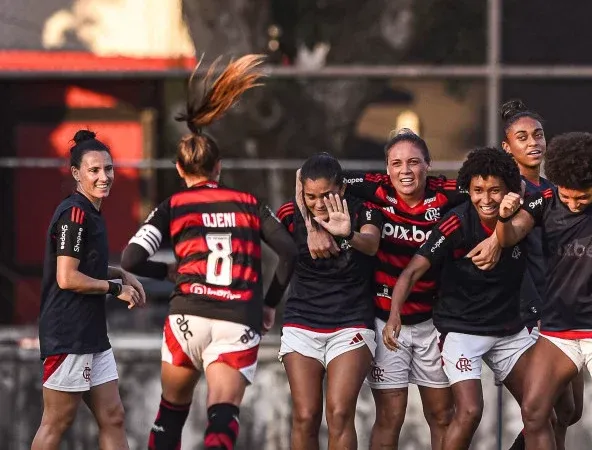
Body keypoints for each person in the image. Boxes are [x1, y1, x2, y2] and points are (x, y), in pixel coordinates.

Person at [120, 54, 298, 450]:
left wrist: (167, 272)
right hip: (238, 317)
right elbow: (289, 252)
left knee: (170, 415)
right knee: (222, 416)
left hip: (188, 317)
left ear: (181, 171)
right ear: (219, 167)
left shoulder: (173, 205)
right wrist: (269, 304)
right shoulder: (249, 203)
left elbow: (129, 259)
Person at [300, 129, 502, 449]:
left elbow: (497, 190)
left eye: (413, 162)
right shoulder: (370, 187)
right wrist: (313, 229)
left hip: (432, 321)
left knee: (441, 415)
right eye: (396, 163)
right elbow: (304, 177)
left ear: (428, 165)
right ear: (386, 167)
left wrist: (498, 237)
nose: (404, 171)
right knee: (390, 417)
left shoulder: (449, 191)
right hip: (385, 321)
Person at [500, 100, 592, 450]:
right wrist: (504, 217)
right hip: (558, 330)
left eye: (583, 198)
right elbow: (509, 236)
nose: (574, 203)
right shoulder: (543, 201)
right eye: (567, 196)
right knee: (535, 412)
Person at [384, 147, 536, 449]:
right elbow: (412, 271)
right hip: (462, 331)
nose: (486, 199)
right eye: (478, 190)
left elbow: (551, 194)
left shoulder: (525, 216)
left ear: (509, 191)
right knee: (469, 411)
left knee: (543, 410)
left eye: (495, 190)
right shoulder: (456, 223)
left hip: (509, 331)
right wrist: (394, 314)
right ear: (468, 189)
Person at [32, 130, 146, 450]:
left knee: (113, 416)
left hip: (93, 334)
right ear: (76, 174)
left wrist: (120, 272)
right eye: (94, 170)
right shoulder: (75, 213)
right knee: (56, 422)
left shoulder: (93, 212)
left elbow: (84, 267)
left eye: (108, 169)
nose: (104, 176)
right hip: (68, 334)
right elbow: (67, 277)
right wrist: (114, 288)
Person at [276, 153, 382, 450]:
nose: (319, 203)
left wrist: (346, 233)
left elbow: (371, 244)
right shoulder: (290, 214)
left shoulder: (364, 211)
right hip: (302, 323)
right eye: (311, 196)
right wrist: (311, 226)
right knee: (306, 415)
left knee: (339, 413)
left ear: (343, 190)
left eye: (327, 195)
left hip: (351, 324)